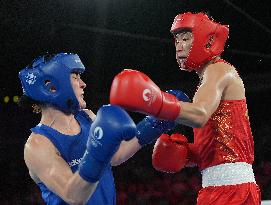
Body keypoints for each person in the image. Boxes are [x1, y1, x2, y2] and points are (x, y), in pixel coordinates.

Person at [109, 12, 261, 205]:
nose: (179, 46)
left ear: (206, 41)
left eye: (186, 38)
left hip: (231, 191)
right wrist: (189, 153)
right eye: (177, 40)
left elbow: (199, 114)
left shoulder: (219, 70)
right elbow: (225, 142)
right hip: (223, 189)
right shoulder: (208, 79)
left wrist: (154, 102)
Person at [19, 52, 189, 205]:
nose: (83, 84)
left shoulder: (86, 116)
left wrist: (155, 123)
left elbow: (116, 155)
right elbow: (73, 196)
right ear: (52, 86)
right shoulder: (37, 145)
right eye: (75, 77)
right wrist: (97, 152)